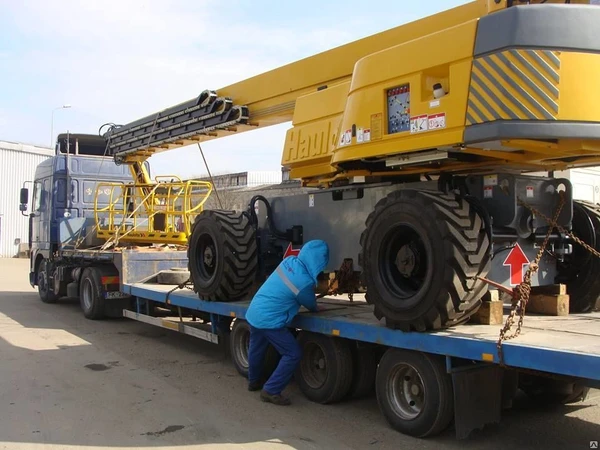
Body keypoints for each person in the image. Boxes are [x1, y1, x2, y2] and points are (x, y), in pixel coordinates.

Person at [245, 239, 329, 406]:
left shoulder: (289, 262)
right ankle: (271, 390)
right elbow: (311, 304)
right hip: (270, 320)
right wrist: (317, 307)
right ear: (318, 262)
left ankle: (253, 382)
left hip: (254, 312)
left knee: (256, 349)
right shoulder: (304, 282)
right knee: (293, 353)